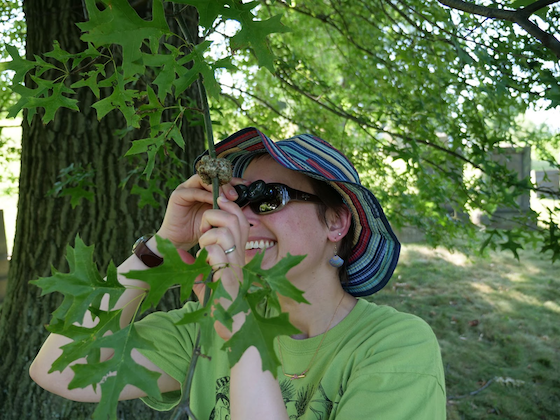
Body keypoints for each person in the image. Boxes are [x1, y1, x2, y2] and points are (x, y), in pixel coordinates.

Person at [30, 127, 446, 419]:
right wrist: (161, 247)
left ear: (336, 223)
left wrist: (236, 324)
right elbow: (58, 370)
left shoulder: (395, 347)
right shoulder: (209, 324)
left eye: (268, 198)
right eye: (236, 199)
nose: (241, 217)